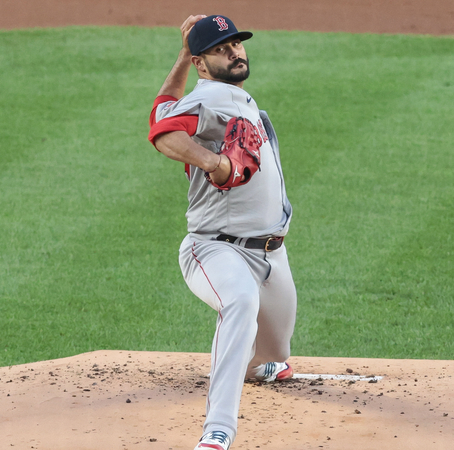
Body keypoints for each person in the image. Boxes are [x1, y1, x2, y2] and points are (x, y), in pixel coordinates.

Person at [148, 14, 298, 450]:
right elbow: (162, 132)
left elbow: (161, 106)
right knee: (240, 302)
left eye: (235, 43)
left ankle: (257, 365)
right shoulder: (212, 98)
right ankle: (218, 431)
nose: (234, 51)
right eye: (220, 48)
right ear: (203, 63)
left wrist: (181, 56)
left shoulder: (232, 97)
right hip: (216, 249)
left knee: (275, 353)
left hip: (271, 255)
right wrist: (215, 163)